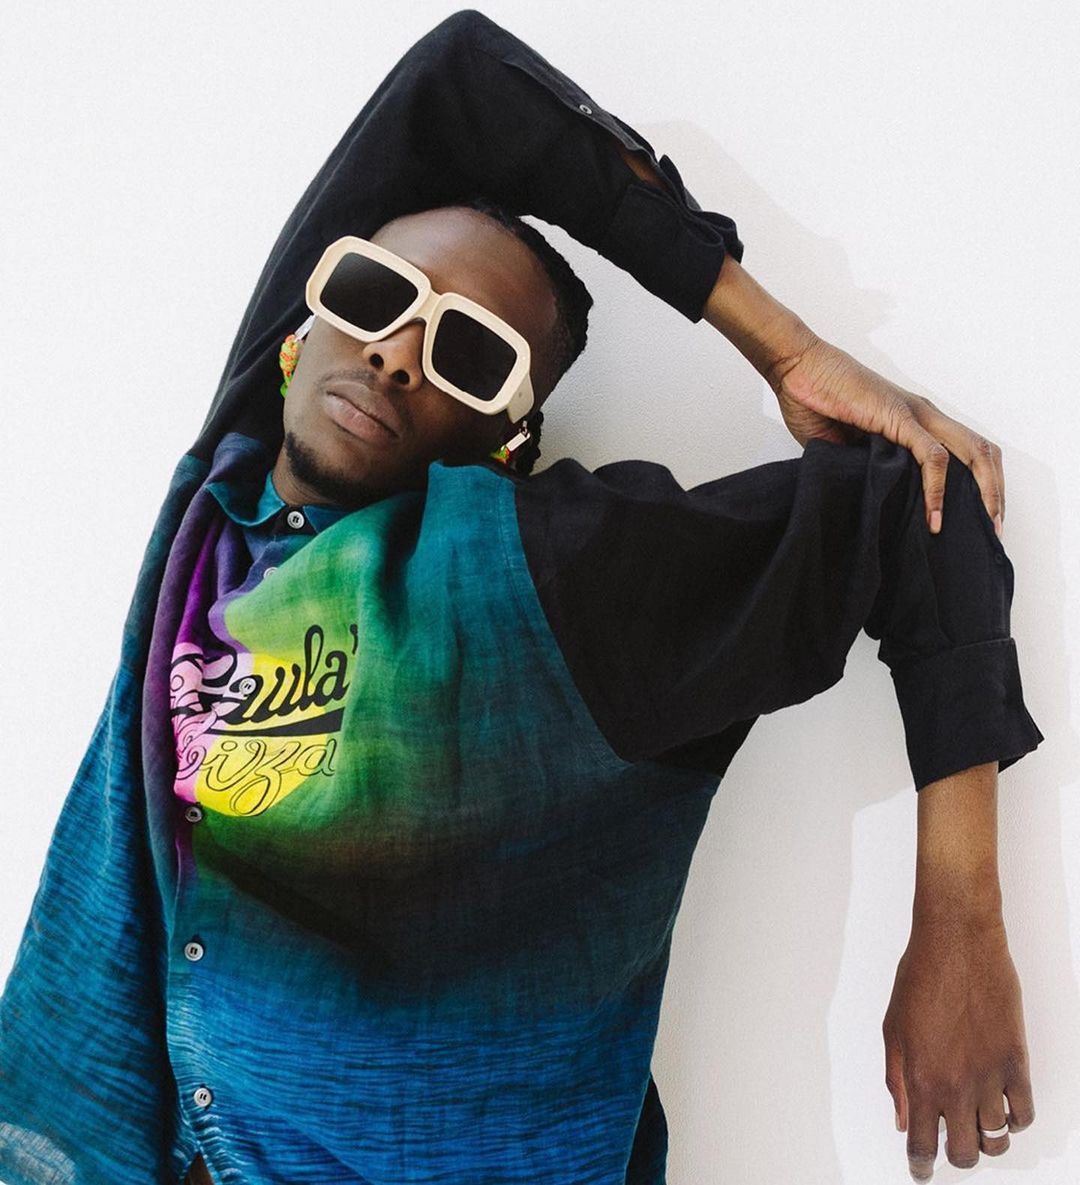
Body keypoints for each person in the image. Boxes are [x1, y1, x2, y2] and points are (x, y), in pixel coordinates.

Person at [0, 9, 1043, 1185]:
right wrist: (777, 341)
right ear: (297, 336)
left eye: (469, 354)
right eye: (374, 294)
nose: (396, 351)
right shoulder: (221, 479)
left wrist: (960, 922)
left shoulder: (548, 580)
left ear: (506, 442)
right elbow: (459, 79)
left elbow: (918, 503)